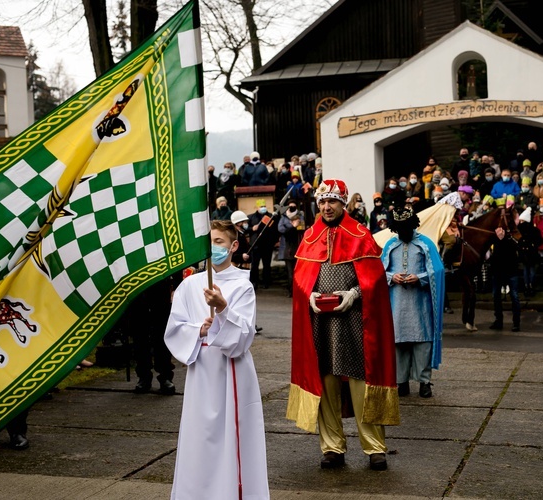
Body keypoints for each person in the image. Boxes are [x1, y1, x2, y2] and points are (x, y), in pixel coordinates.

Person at [287, 179, 399, 471]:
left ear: (343, 203)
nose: (326, 207)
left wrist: (354, 294)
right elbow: (300, 278)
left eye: (332, 202)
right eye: (322, 202)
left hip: (355, 324)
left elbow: (375, 279)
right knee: (326, 385)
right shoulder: (309, 235)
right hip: (320, 325)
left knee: (363, 384)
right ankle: (332, 447)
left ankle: (374, 448)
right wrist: (307, 294)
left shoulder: (361, 234)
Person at [165, 220, 269, 500]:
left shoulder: (243, 285)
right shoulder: (190, 284)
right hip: (202, 369)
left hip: (231, 370)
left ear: (234, 246)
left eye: (219, 242)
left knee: (234, 436)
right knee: (200, 437)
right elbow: (174, 329)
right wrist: (198, 330)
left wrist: (224, 310)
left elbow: (244, 338)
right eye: (209, 242)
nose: (214, 247)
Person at [381, 206, 444, 398]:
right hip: (396, 305)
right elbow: (378, 272)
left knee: (422, 343)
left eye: (406, 229)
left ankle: (424, 382)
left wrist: (420, 277)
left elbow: (438, 271)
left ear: (413, 225)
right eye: (400, 230)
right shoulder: (390, 245)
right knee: (398, 343)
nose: (404, 233)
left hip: (421, 305)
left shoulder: (426, 244)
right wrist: (392, 276)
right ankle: (401, 382)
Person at [489, 212, 521, 332]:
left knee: (514, 296)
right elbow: (494, 250)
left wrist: (503, 239)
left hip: (511, 268)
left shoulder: (514, 232)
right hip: (498, 269)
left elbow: (517, 245)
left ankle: (516, 322)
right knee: (496, 295)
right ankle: (498, 320)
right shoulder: (495, 232)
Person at [248, 199, 278, 289]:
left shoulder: (271, 217)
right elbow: (246, 229)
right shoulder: (251, 217)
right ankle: (254, 282)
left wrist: (274, 241)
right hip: (255, 245)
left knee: (267, 265)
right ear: (257, 207)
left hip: (267, 245)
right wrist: (252, 228)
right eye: (261, 206)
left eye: (264, 206)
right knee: (254, 265)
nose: (263, 208)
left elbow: (275, 230)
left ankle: (266, 282)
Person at [278, 202, 304, 297]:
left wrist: (295, 226)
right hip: (289, 251)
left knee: (298, 272)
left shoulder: (300, 216)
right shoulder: (285, 219)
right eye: (290, 206)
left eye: (294, 206)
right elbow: (281, 229)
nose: (292, 207)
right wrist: (292, 226)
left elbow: (302, 229)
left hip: (298, 250)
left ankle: (298, 290)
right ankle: (291, 291)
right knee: (290, 273)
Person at [517, 207, 543, 296]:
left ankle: (528, 285)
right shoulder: (533, 230)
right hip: (529, 252)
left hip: (528, 252)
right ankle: (529, 286)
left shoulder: (521, 230)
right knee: (529, 269)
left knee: (528, 269)